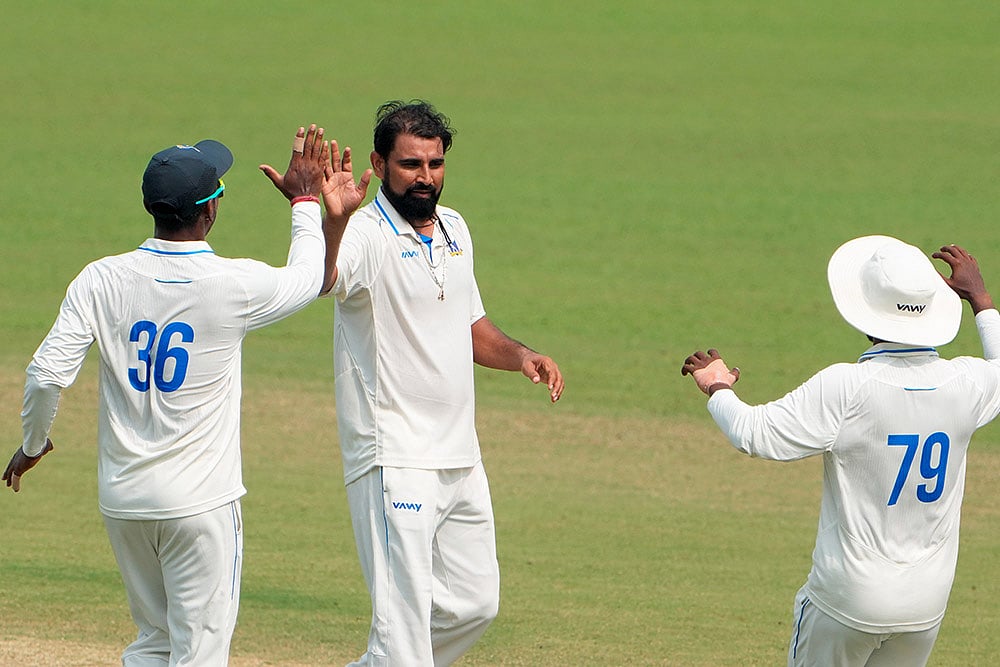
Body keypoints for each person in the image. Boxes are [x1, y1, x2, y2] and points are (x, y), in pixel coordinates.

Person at [2, 124, 369, 666]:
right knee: (200, 653)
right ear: (210, 209)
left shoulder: (99, 279)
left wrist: (33, 444)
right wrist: (303, 202)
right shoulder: (234, 285)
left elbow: (46, 374)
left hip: (125, 502)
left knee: (154, 642)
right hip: (200, 505)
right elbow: (310, 275)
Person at [320, 100, 565, 666]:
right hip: (395, 455)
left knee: (475, 605)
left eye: (434, 164)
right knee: (403, 633)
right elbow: (325, 279)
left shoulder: (455, 228)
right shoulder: (364, 234)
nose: (425, 177)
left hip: (459, 454)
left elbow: (470, 324)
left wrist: (522, 356)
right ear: (379, 165)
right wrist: (331, 222)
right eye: (410, 164)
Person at [681, 236, 1000, 666]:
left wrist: (718, 387)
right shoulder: (967, 383)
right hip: (925, 606)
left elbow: (753, 433)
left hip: (848, 601)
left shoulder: (847, 388)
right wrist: (981, 299)